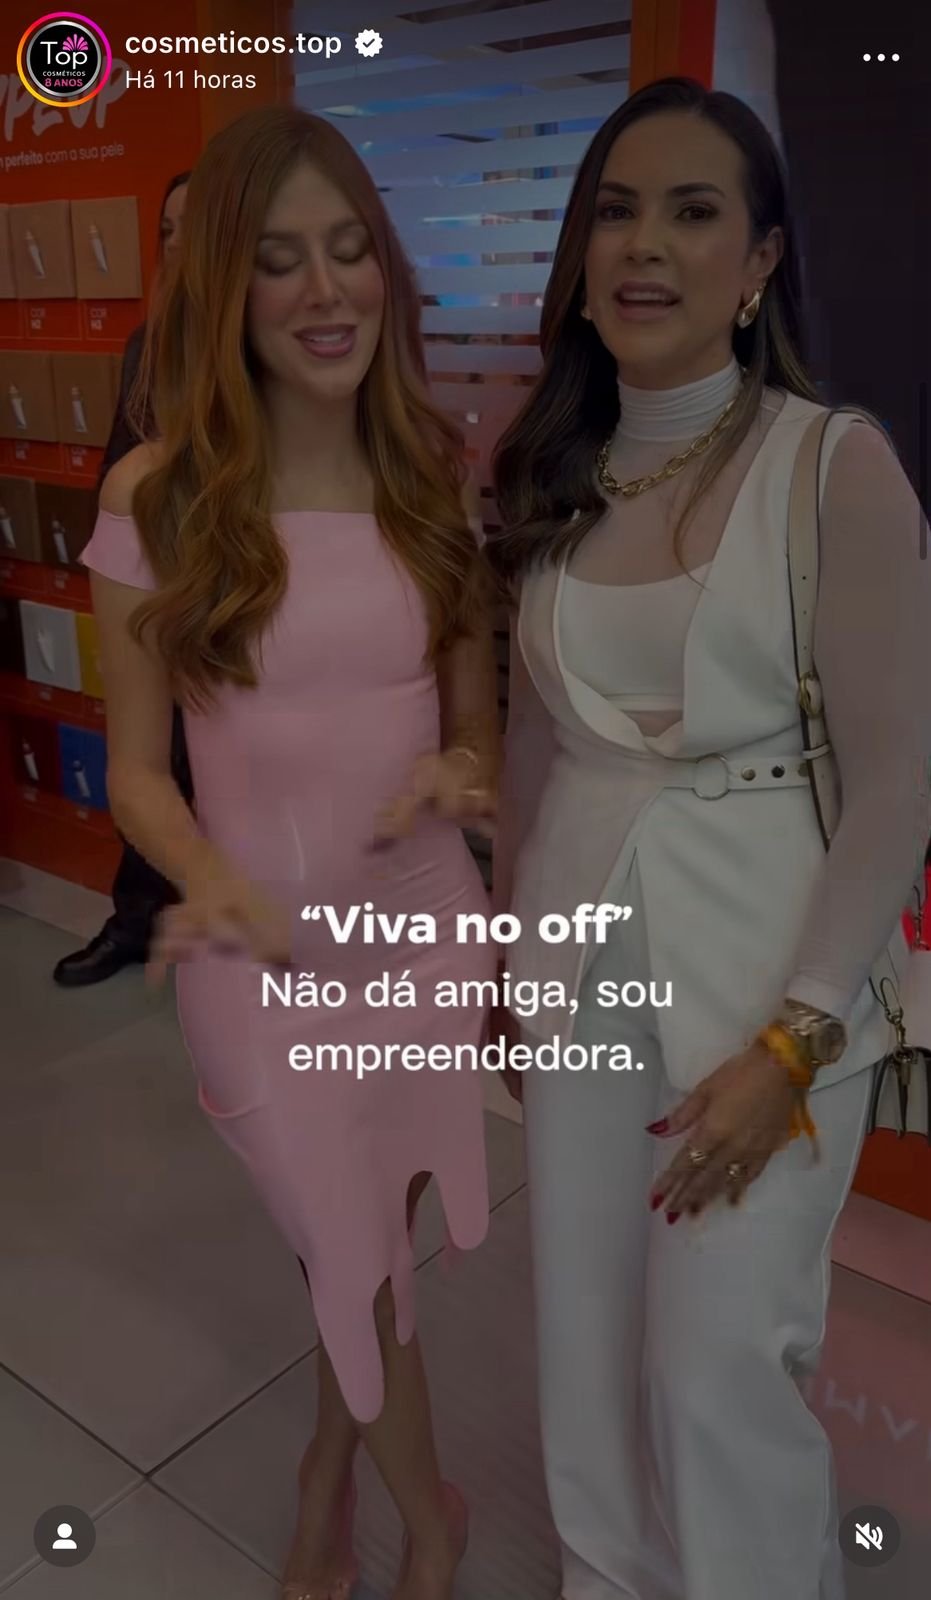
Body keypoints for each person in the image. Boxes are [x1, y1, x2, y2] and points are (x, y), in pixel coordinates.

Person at [488, 77, 931, 1600]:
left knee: (716, 1368)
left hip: (772, 985)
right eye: (615, 211)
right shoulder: (552, 468)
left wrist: (796, 1040)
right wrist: (514, 966)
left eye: (692, 212)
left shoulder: (832, 464)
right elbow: (536, 742)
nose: (645, 245)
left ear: (758, 263)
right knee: (580, 1337)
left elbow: (895, 786)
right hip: (581, 968)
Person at [80, 106, 499, 1600]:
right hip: (259, 956)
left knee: (364, 1251)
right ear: (224, 288)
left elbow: (473, 723)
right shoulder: (157, 497)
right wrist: (212, 879)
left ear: (385, 267)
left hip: (422, 931)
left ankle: (331, 1471)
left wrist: (460, 772)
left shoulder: (429, 470)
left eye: (347, 249)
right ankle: (432, 1521)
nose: (325, 291)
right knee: (339, 1232)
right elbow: (138, 773)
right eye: (277, 259)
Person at [54, 170, 191, 987]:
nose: (179, 245)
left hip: (236, 592)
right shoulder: (150, 343)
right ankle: (136, 920)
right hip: (156, 588)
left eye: (194, 227)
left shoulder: (272, 344)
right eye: (167, 230)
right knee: (149, 759)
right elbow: (117, 464)